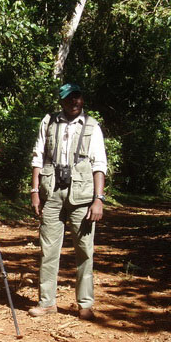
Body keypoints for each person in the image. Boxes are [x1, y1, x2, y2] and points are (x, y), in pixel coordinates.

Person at [29, 83, 107, 321]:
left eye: (77, 97)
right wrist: (34, 191)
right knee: (48, 249)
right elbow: (38, 157)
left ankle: (85, 303)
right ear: (61, 101)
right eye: (69, 98)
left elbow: (99, 164)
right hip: (52, 194)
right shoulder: (48, 122)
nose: (74, 102)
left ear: (82, 99)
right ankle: (47, 302)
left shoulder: (92, 126)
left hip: (82, 196)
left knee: (84, 250)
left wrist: (98, 199)